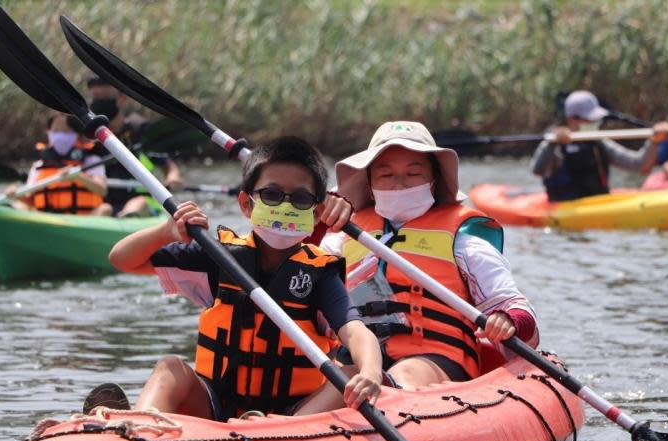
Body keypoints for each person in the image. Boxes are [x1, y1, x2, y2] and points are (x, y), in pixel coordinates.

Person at [101, 136, 382, 420]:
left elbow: (356, 332)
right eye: (271, 195)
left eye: (299, 199)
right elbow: (121, 259)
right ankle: (140, 427)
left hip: (293, 415)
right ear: (246, 204)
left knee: (349, 372)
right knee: (171, 367)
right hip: (215, 408)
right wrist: (165, 232)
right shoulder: (218, 257)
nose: (285, 207)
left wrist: (370, 372)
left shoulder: (319, 276)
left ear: (316, 212)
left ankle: (277, 434)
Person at [319, 121, 539, 389]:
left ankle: (388, 390)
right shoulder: (342, 239)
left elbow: (515, 307)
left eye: (413, 174)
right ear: (370, 184)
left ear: (434, 181)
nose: (399, 185)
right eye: (386, 176)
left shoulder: (464, 242)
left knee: (407, 372)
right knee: (333, 377)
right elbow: (301, 285)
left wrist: (507, 320)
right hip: (357, 358)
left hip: (434, 360)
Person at [530, 90, 668, 201]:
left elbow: (640, 165)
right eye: (590, 119)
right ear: (572, 119)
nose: (595, 122)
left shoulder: (598, 142)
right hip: (565, 206)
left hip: (597, 204)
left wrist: (654, 142)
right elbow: (537, 170)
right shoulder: (554, 143)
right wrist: (551, 144)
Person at [87, 76, 184, 217]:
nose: (100, 103)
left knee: (137, 204)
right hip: (103, 204)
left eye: (106, 97)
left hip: (140, 201)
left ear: (123, 99)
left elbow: (167, 164)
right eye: (96, 98)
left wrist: (173, 177)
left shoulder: (140, 131)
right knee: (103, 209)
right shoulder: (88, 134)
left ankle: (128, 219)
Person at [2, 112, 107, 214]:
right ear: (49, 133)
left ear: (77, 134)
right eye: (56, 131)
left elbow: (102, 190)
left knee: (105, 209)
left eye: (66, 131)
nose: (60, 136)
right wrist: (16, 194)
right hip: (47, 219)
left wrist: (79, 177)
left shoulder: (91, 160)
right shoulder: (39, 165)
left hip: (84, 218)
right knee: (19, 206)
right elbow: (30, 199)